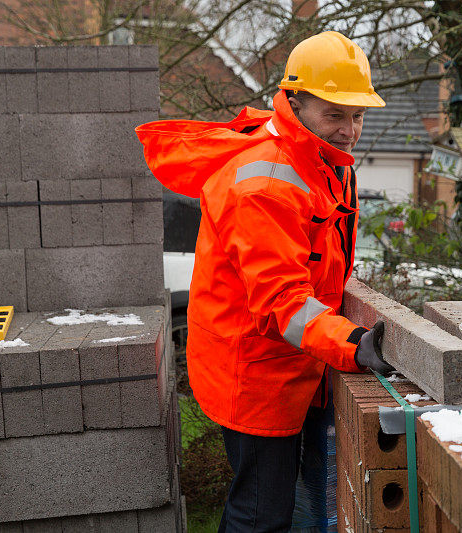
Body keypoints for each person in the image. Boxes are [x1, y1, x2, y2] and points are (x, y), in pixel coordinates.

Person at [135, 31, 394, 532]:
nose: (349, 130)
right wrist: (354, 343)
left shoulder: (321, 162)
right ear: (295, 103)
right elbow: (283, 302)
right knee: (260, 514)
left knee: (277, 506)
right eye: (335, 114)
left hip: (283, 362)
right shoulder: (269, 183)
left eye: (358, 115)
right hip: (254, 373)